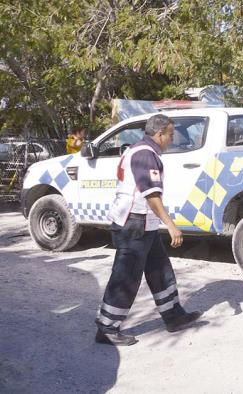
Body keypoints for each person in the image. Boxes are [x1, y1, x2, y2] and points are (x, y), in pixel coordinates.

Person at [95, 114, 202, 346]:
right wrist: (171, 225)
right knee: (126, 276)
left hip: (144, 223)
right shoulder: (145, 154)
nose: (172, 140)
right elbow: (151, 194)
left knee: (160, 269)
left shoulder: (142, 150)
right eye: (171, 135)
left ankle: (173, 316)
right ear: (159, 133)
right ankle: (107, 327)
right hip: (134, 223)